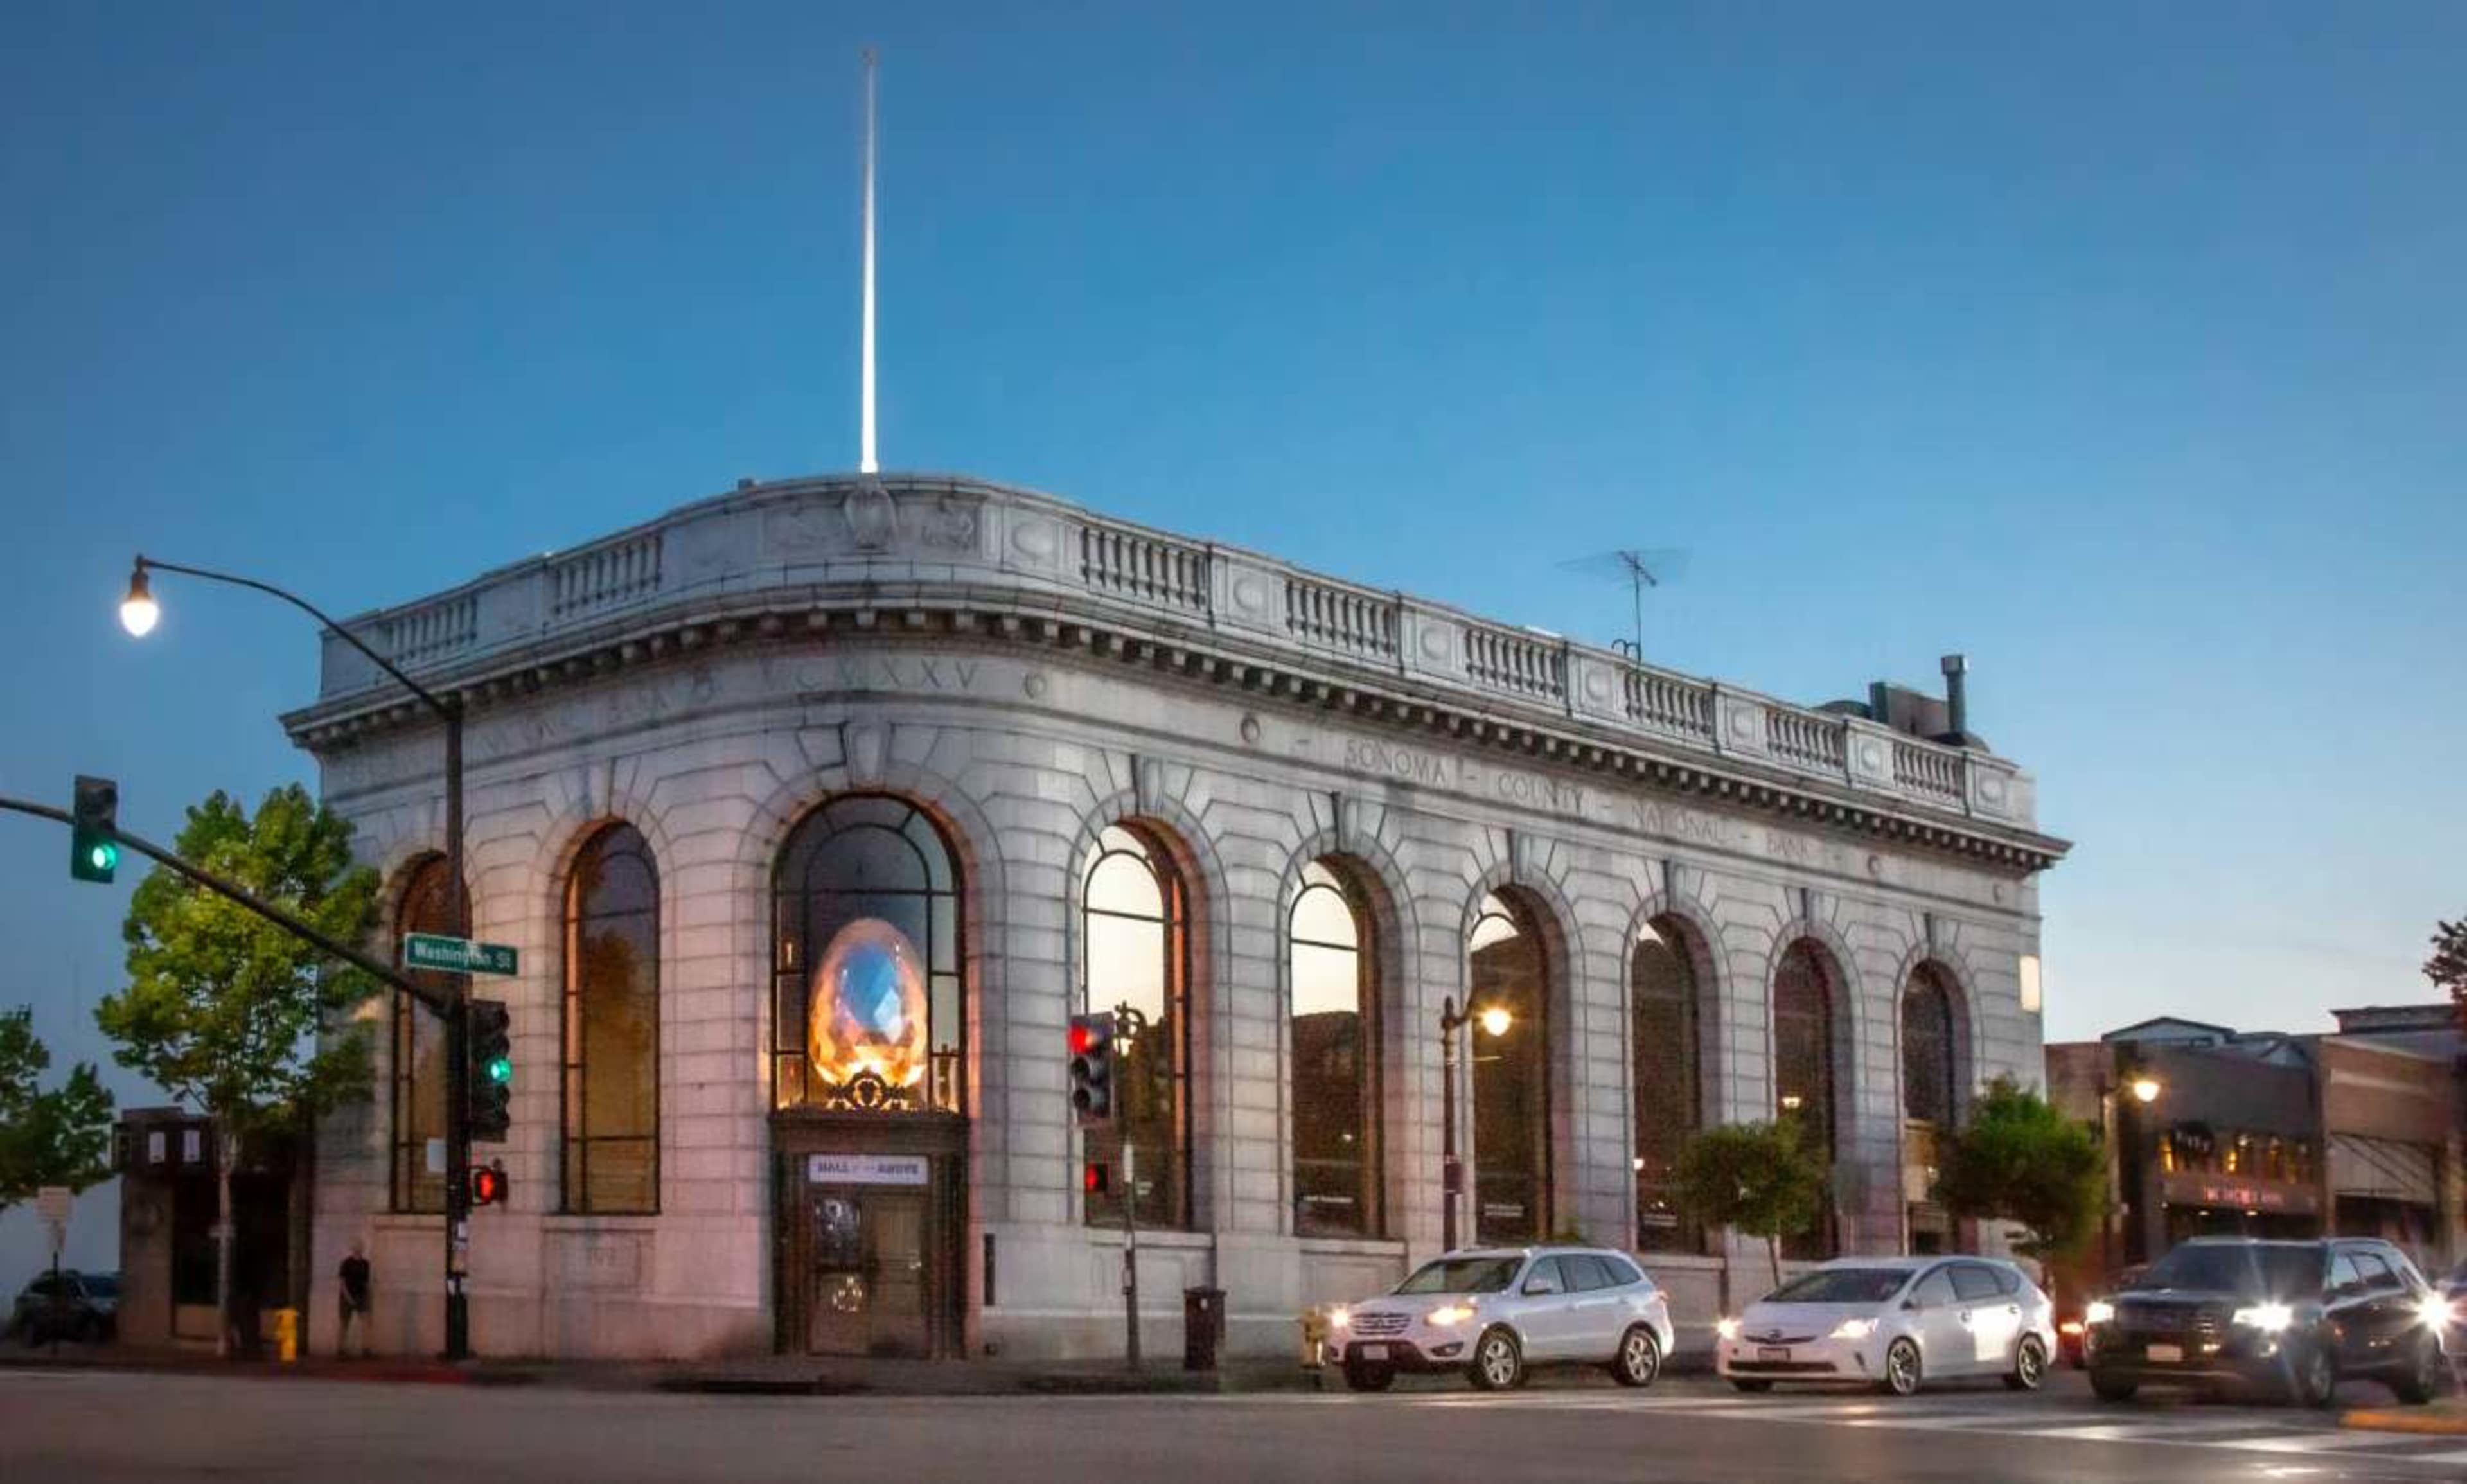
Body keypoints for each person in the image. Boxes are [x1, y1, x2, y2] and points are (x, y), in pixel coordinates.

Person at [337, 1242, 372, 1358]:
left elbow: (366, 1283)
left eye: (360, 1246)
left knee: (366, 1322)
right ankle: (341, 1350)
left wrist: (367, 1297)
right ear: (352, 1248)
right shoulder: (346, 1263)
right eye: (356, 1246)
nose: (359, 1248)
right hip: (347, 1296)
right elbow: (342, 1283)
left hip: (361, 1296)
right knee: (344, 1323)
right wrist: (348, 1298)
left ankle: (366, 1349)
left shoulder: (366, 1264)